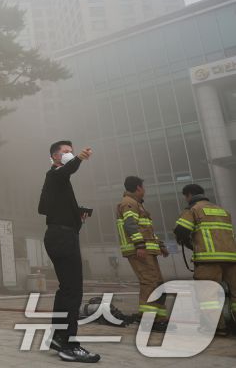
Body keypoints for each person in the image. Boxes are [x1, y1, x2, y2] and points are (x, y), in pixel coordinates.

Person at [38, 140, 100, 363]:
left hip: (60, 235)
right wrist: (80, 158)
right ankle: (69, 346)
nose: (70, 154)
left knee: (66, 290)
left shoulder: (57, 181)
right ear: (55, 157)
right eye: (66, 152)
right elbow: (67, 170)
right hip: (62, 238)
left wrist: (76, 215)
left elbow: (44, 208)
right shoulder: (55, 175)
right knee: (73, 291)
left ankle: (58, 338)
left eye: (71, 152)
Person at [173, 183, 236, 336]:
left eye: (185, 197)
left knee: (208, 296)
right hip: (232, 259)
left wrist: (192, 245)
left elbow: (180, 231)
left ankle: (216, 327)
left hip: (208, 261)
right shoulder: (223, 211)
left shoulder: (193, 210)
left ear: (189, 195)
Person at [115, 176, 169, 331]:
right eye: (143, 187)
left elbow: (147, 230)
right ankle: (149, 320)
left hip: (147, 249)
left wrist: (160, 245)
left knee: (157, 283)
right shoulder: (129, 203)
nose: (144, 190)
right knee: (150, 282)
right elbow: (130, 225)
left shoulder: (136, 204)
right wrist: (139, 245)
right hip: (139, 250)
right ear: (138, 188)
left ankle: (159, 318)